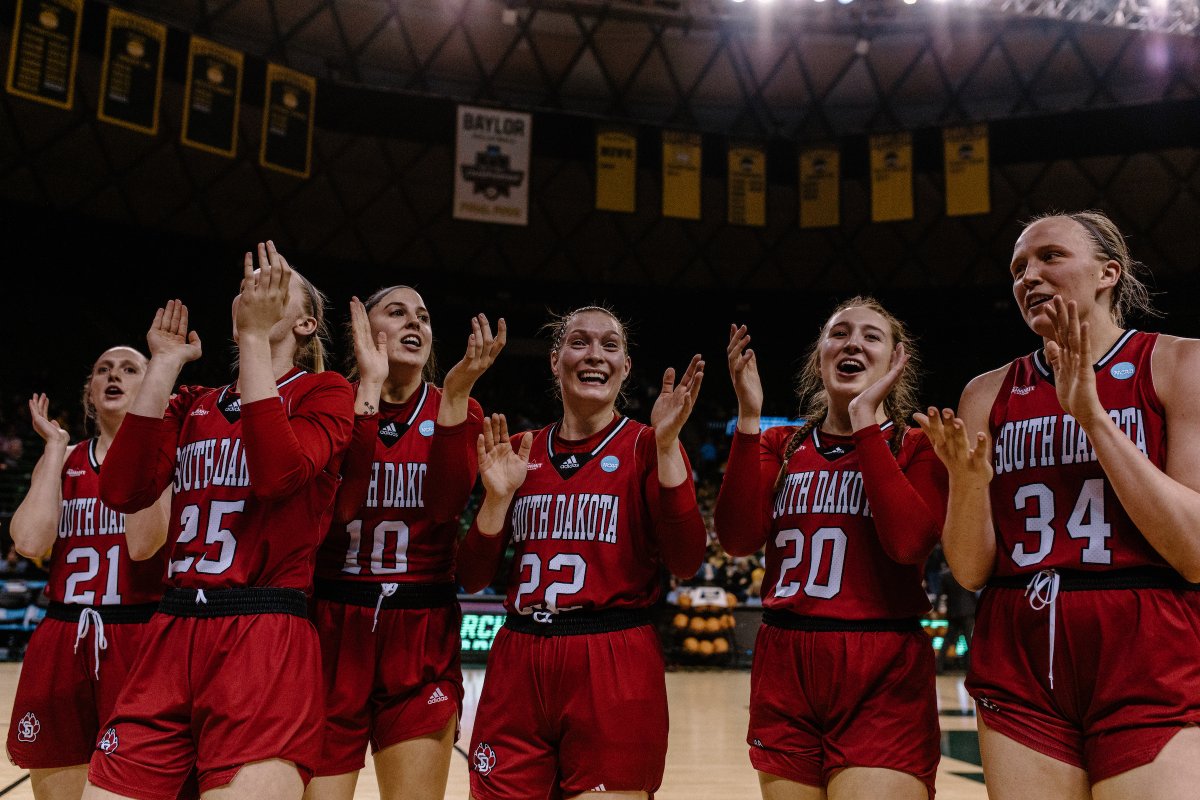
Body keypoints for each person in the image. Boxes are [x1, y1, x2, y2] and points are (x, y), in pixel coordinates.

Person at [917, 210, 1200, 799]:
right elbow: (970, 571)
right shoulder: (986, 392)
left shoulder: (1178, 363)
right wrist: (967, 488)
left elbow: (1195, 552)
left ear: (1107, 273)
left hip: (1147, 643)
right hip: (1021, 637)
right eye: (1019, 267)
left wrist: (1093, 418)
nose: (1028, 276)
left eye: (1050, 257)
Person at [82, 242, 354, 800]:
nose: (255, 290)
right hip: (173, 627)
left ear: (305, 322)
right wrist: (160, 364)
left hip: (264, 632)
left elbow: (277, 475)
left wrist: (254, 340)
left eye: (274, 284)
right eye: (249, 283)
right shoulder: (193, 402)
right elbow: (121, 490)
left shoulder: (325, 393)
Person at [457, 306, 708, 800]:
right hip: (519, 657)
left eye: (610, 345)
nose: (595, 355)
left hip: (612, 656)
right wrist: (496, 499)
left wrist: (668, 447)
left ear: (627, 367)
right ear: (555, 360)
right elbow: (471, 577)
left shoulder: (647, 445)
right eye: (579, 343)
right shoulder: (523, 450)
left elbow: (686, 561)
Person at [715, 298, 947, 800]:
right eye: (839, 333)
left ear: (896, 359)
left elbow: (909, 545)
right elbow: (737, 540)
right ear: (820, 355)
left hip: (881, 663)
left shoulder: (918, 446)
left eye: (871, 336)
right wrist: (748, 418)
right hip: (785, 661)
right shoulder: (780, 445)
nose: (853, 343)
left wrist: (865, 421)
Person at [305, 286, 503, 800]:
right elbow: (331, 512)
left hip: (420, 627)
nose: (415, 322)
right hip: (333, 620)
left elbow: (442, 509)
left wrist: (457, 395)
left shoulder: (461, 409)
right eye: (397, 312)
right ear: (364, 331)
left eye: (424, 316)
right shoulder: (326, 402)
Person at [7, 348, 170, 800]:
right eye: (102, 370)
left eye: (129, 369)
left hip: (137, 633)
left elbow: (145, 546)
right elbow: (30, 542)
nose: (113, 375)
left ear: (151, 386)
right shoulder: (66, 458)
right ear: (91, 395)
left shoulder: (166, 456)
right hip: (64, 633)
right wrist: (54, 451)